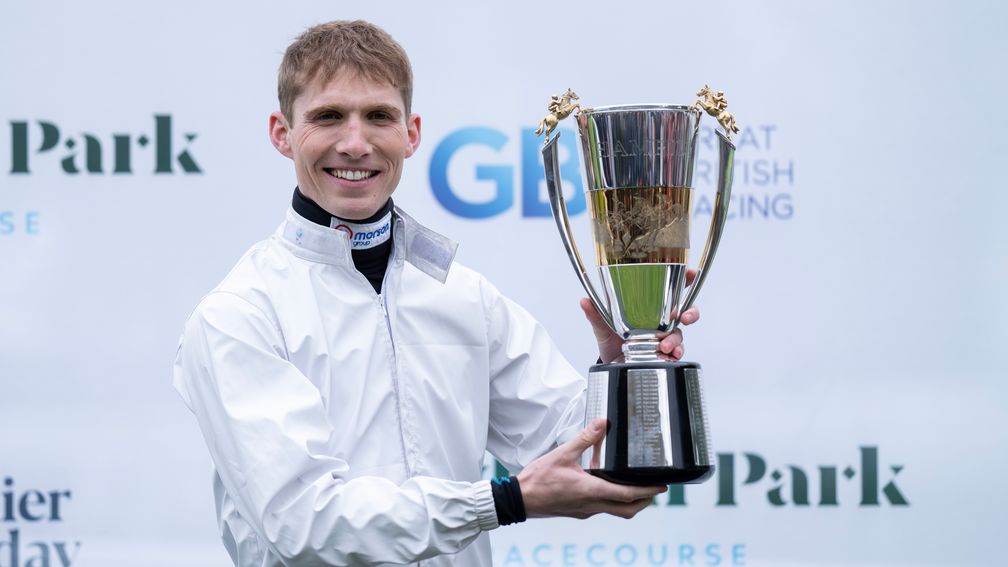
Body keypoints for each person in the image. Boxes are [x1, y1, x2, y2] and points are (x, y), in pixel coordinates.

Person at [172, 20, 699, 567]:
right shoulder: (238, 314)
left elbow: (588, 459)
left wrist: (627, 370)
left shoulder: (464, 297)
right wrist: (502, 501)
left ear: (411, 132)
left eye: (378, 116)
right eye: (328, 117)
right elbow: (306, 523)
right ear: (282, 133)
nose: (355, 144)